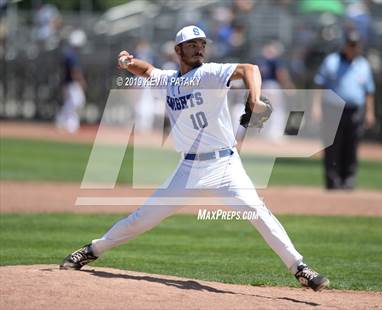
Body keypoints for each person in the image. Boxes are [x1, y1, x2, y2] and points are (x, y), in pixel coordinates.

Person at [60, 25, 329, 292]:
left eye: (202, 44)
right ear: (178, 50)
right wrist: (128, 62)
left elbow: (250, 69)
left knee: (258, 213)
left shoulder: (210, 73)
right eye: (192, 44)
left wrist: (255, 99)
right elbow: (147, 71)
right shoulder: (170, 80)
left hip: (225, 165)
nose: (199, 48)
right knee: (142, 218)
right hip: (189, 168)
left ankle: (300, 269)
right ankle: (92, 250)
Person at [314, 30, 375, 190]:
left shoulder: (363, 64)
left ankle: (348, 180)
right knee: (332, 147)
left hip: (354, 110)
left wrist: (369, 112)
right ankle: (332, 181)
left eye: (356, 45)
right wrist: (316, 107)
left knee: (352, 146)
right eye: (350, 45)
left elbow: (369, 91)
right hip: (333, 109)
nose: (353, 48)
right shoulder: (331, 61)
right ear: (345, 44)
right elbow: (320, 85)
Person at [55, 29, 87, 133]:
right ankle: (68, 123)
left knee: (72, 102)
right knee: (76, 102)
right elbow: (75, 70)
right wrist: (81, 81)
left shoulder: (69, 53)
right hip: (71, 83)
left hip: (67, 83)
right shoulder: (71, 54)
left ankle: (64, 121)